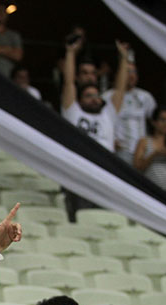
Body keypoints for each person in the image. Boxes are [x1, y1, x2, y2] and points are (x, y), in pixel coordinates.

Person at [62, 39, 129, 220]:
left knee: (104, 217)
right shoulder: (72, 112)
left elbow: (120, 88)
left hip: (105, 174)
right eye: (88, 96)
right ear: (80, 100)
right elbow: (69, 83)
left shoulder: (108, 114)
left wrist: (124, 58)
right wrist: (70, 53)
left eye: (96, 95)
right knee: (81, 217)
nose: (94, 99)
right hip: (79, 174)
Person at [102, 64, 156, 164]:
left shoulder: (146, 96)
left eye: (134, 72)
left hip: (142, 152)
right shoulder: (107, 96)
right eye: (127, 72)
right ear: (119, 75)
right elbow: (102, 121)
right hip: (120, 150)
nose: (131, 75)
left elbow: (155, 122)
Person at [133, 108, 166, 202]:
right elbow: (137, 167)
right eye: (162, 120)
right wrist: (155, 154)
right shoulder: (144, 141)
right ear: (154, 122)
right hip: (153, 188)